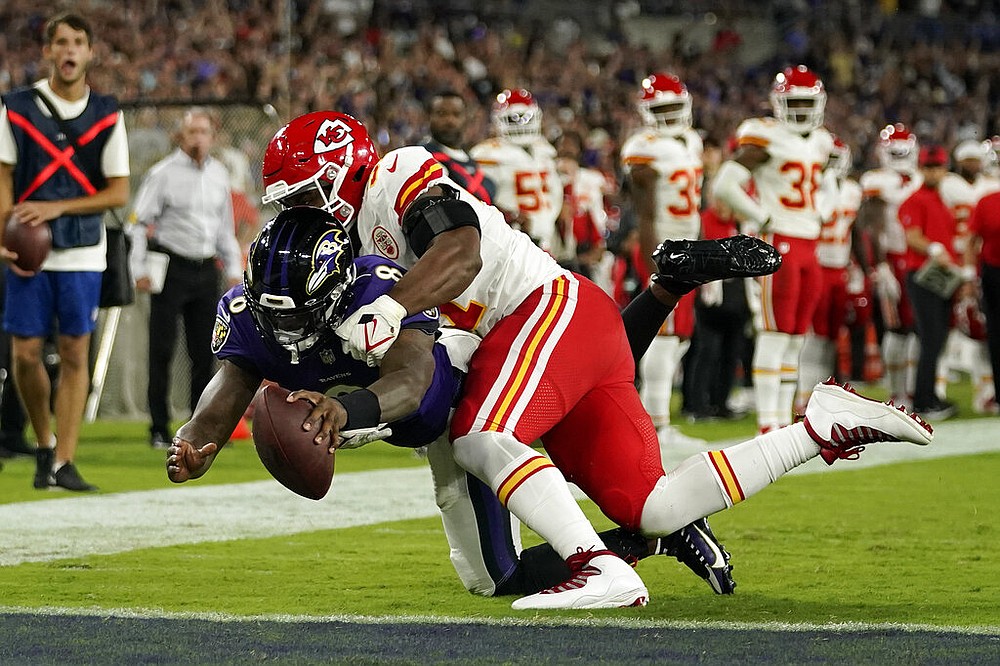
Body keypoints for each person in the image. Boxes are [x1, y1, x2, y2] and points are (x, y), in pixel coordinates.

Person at [257, 111, 932, 611]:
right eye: (288, 204)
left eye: (306, 195)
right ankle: (818, 427)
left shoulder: (395, 175)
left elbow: (458, 249)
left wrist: (393, 309)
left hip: (544, 309)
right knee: (651, 509)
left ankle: (599, 566)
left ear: (346, 171)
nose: (300, 214)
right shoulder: (323, 258)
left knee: (483, 435)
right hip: (533, 343)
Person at [167, 206, 744, 599]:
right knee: (492, 578)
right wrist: (195, 440)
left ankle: (618, 551)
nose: (287, 328)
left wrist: (349, 411)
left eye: (300, 311)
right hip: (426, 430)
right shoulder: (247, 315)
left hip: (463, 391)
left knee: (565, 406)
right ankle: (651, 538)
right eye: (277, 314)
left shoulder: (380, 288)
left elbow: (413, 379)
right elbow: (227, 389)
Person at [0, 12, 130, 491]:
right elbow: (3, 178)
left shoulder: (107, 112)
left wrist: (56, 208)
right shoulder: (15, 107)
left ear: (90, 52)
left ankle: (64, 461)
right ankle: (43, 440)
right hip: (26, 252)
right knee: (26, 354)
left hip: (81, 250)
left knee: (76, 353)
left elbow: (118, 192)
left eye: (78, 42)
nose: (70, 50)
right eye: (61, 42)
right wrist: (2, 236)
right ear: (48, 51)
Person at [711, 65, 834, 434]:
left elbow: (826, 185)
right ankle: (768, 423)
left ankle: (784, 423)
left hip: (809, 243)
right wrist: (760, 217)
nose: (799, 109)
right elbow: (725, 184)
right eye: (792, 101)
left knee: (795, 337)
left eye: (805, 102)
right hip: (777, 242)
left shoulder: (822, 141)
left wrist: (822, 213)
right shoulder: (766, 135)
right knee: (773, 333)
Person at [128, 107, 243, 448]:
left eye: (204, 132)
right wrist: (140, 269)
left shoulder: (219, 174)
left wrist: (233, 267)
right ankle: (159, 427)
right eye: (192, 132)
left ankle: (199, 425)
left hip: (206, 267)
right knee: (161, 350)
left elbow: (225, 227)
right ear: (181, 136)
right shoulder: (162, 174)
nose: (198, 139)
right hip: (171, 264)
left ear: (212, 136)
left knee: (205, 351)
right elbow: (137, 223)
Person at [620, 72, 705, 447]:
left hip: (687, 243)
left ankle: (657, 417)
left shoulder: (691, 141)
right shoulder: (645, 146)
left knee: (680, 337)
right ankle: (657, 423)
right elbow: (646, 214)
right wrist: (660, 261)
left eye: (674, 107)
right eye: (662, 108)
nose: (670, 115)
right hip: (664, 246)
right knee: (664, 336)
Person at [899, 145, 969, 420]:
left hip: (940, 276)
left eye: (937, 166)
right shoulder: (915, 199)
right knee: (930, 339)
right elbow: (912, 236)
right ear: (921, 168)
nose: (933, 171)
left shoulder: (939, 199)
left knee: (936, 339)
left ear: (944, 169)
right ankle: (924, 400)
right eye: (929, 167)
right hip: (923, 275)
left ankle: (929, 396)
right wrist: (933, 249)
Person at [857, 123, 923, 410]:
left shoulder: (920, 179)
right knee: (898, 327)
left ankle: (912, 388)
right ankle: (897, 392)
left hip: (919, 257)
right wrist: (879, 265)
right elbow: (868, 226)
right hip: (894, 259)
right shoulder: (877, 181)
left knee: (918, 327)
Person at [796, 137, 864, 408]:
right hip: (818, 264)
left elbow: (854, 231)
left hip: (840, 268)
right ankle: (804, 396)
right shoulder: (810, 186)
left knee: (832, 335)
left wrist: (859, 265)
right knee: (814, 334)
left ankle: (821, 394)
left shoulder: (852, 190)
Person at [469, 89, 566, 262]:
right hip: (510, 241)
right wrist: (510, 216)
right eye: (513, 118)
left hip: (547, 238)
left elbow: (555, 195)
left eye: (525, 117)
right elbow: (479, 200)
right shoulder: (487, 154)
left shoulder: (544, 150)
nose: (520, 122)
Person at [421, 90, 496, 205]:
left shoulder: (474, 162)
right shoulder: (423, 157)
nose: (449, 120)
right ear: (428, 117)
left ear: (466, 118)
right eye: (442, 114)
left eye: (456, 114)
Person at [968, 184, 1000, 415]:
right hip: (993, 274)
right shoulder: (987, 201)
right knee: (996, 335)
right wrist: (970, 275)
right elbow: (971, 239)